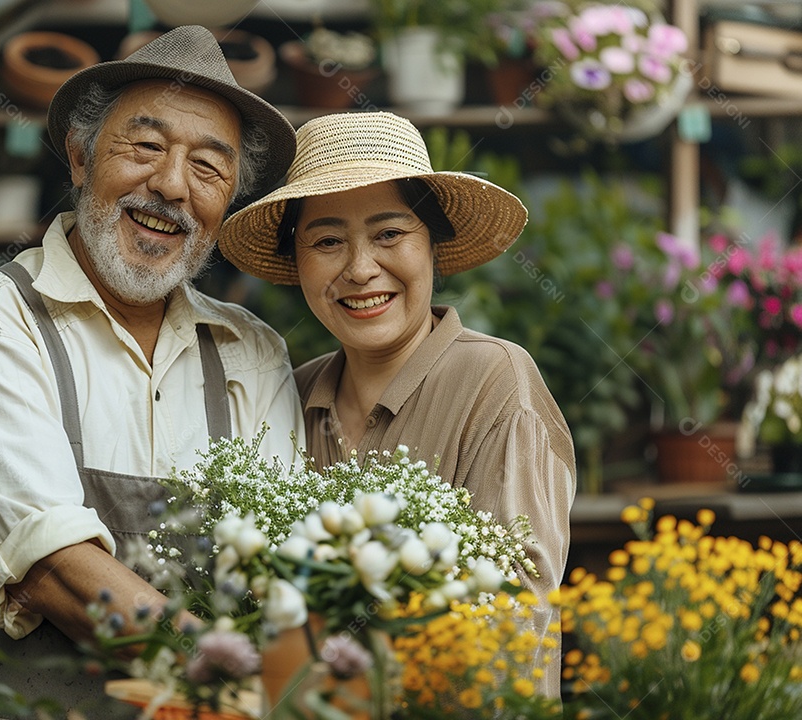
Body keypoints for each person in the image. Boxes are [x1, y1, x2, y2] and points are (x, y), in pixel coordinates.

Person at [0, 26, 305, 718]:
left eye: (208, 168)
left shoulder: (251, 351)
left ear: (227, 200)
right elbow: (57, 572)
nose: (172, 185)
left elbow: (282, 571)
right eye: (145, 148)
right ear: (81, 156)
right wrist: (234, 688)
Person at [218, 111, 576, 697]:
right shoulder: (290, 395)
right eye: (328, 241)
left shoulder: (494, 380)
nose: (361, 269)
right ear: (297, 262)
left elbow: (516, 615)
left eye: (390, 234)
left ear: (433, 244)